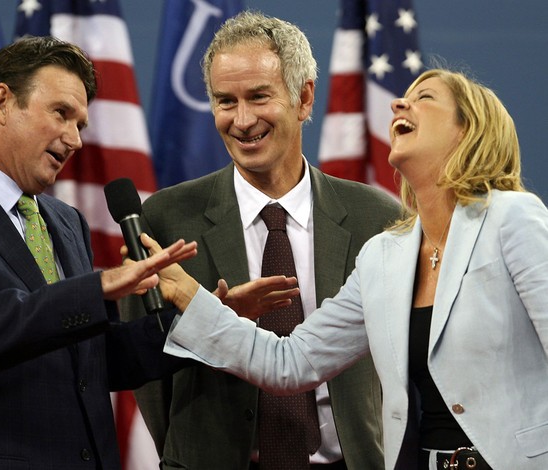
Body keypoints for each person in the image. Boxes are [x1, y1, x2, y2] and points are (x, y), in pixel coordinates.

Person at [158, 66, 548, 470]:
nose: (399, 103)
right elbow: (290, 362)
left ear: (469, 131)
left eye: (425, 97)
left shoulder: (511, 218)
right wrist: (189, 295)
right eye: (404, 96)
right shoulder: (384, 255)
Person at [120, 10, 399, 470]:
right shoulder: (166, 219)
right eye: (225, 101)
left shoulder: (379, 219)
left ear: (304, 98)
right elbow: (148, 373)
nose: (243, 120)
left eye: (259, 97)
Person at [0, 36, 199, 470]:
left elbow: (93, 361)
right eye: (61, 114)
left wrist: (205, 321)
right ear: (1, 103)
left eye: (81, 125)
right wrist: (98, 287)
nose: (74, 139)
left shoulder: (65, 221)